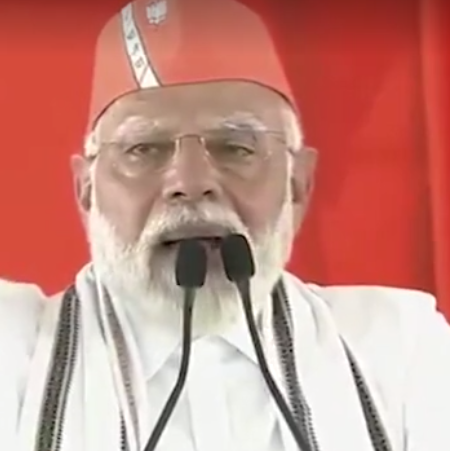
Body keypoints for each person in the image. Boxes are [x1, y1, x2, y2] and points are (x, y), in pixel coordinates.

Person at [1, 0, 449, 450]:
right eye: (143, 148)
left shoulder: (401, 350)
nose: (190, 182)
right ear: (86, 192)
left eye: (236, 147)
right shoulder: (13, 348)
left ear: (298, 185)